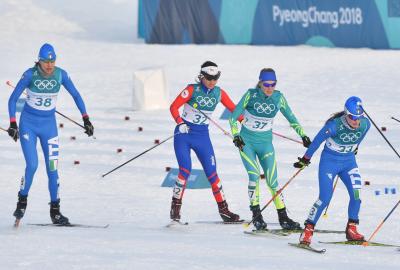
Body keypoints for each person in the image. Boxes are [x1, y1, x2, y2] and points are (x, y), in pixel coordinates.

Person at [7, 43, 94, 226]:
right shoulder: (30, 74)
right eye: (46, 61)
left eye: (52, 61)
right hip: (28, 125)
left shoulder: (61, 74)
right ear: (39, 61)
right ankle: (21, 202)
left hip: (49, 128)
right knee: (32, 165)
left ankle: (55, 211)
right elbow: (13, 99)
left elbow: (76, 95)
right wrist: (13, 123)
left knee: (53, 169)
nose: (49, 65)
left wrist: (86, 118)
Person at [229, 68, 311, 230]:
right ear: (260, 83)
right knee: (254, 176)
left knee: (273, 181)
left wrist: (303, 136)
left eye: (273, 84)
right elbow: (233, 118)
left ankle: (283, 217)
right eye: (266, 84)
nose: (269, 88)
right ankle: (256, 215)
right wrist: (236, 135)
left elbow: (291, 118)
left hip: (266, 144)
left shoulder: (278, 97)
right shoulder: (250, 95)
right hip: (247, 143)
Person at [169, 61, 241, 223]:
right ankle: (175, 208)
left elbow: (234, 110)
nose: (212, 81)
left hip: (202, 136)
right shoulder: (191, 90)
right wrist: (180, 123)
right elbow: (173, 107)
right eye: (208, 78)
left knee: (212, 173)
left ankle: (224, 211)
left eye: (215, 78)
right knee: (185, 170)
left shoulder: (219, 93)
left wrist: (247, 122)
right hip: (184, 135)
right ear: (202, 76)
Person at [294, 96, 370, 245]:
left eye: (359, 117)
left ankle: (351, 229)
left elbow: (360, 137)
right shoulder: (334, 126)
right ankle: (308, 230)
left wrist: (354, 148)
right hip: (329, 162)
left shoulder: (366, 125)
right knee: (325, 198)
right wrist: (305, 159)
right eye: (353, 117)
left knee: (357, 195)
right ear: (346, 114)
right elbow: (316, 141)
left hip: (349, 163)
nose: (356, 121)